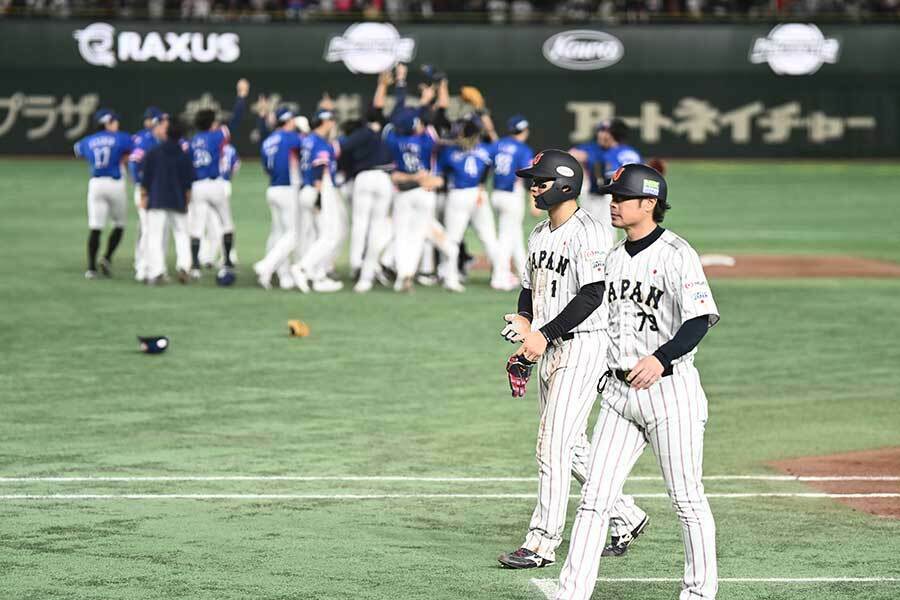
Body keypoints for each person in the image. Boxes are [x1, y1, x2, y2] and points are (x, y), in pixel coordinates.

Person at [554, 163, 719, 600]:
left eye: (621, 198)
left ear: (649, 204)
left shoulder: (676, 253)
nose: (613, 203)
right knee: (594, 500)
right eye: (612, 196)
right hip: (619, 395)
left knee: (686, 500)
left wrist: (662, 358)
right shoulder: (610, 258)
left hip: (671, 393)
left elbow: (700, 318)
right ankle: (571, 593)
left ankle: (700, 593)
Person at [497, 149, 647, 570]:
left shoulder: (591, 232)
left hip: (584, 346)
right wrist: (526, 321)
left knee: (551, 445)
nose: (533, 186)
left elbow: (593, 294)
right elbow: (529, 288)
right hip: (551, 346)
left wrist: (543, 334)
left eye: (539, 180)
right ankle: (626, 515)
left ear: (563, 185)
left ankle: (542, 542)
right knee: (572, 444)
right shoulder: (540, 234)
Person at [187, 78, 249, 279]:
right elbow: (237, 120)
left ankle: (195, 265)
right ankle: (228, 261)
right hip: (215, 185)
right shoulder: (217, 136)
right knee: (226, 223)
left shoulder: (192, 141)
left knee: (197, 226)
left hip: (197, 186)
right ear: (212, 123)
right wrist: (242, 96)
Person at [384, 107, 448, 293]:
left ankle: (402, 275)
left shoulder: (394, 141)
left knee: (401, 236)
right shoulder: (426, 141)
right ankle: (408, 273)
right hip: (424, 192)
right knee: (417, 237)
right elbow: (430, 128)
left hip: (403, 193)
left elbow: (389, 127)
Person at [437, 117, 501, 292]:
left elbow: (440, 172)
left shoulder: (450, 152)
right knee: (489, 237)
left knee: (452, 239)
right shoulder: (486, 149)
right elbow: (494, 155)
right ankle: (500, 276)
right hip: (479, 194)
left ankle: (450, 278)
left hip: (458, 194)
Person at [337, 105, 395, 293]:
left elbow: (342, 147)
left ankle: (356, 264)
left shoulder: (362, 133)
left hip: (363, 178)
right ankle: (368, 273)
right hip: (384, 178)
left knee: (360, 224)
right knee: (376, 228)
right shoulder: (388, 132)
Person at [73, 109, 134, 279]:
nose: (117, 124)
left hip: (96, 184)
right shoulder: (121, 137)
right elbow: (134, 150)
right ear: (108, 123)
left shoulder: (88, 140)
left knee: (95, 227)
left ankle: (91, 268)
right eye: (114, 122)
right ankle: (106, 257)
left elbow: (77, 150)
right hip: (115, 184)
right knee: (119, 225)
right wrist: (124, 157)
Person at [290, 108, 345, 293]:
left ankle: (318, 276)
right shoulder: (320, 143)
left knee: (317, 234)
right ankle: (302, 268)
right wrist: (319, 196)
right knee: (330, 236)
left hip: (306, 188)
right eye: (331, 120)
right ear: (325, 122)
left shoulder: (308, 140)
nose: (333, 124)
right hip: (319, 189)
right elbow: (320, 170)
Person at [254, 107, 304, 290]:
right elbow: (306, 148)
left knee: (278, 233)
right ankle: (266, 265)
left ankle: (281, 276)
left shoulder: (267, 141)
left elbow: (266, 168)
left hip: (273, 188)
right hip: (287, 189)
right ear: (288, 120)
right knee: (292, 235)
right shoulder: (290, 137)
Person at [140, 119, 195, 284]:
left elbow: (146, 180)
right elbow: (188, 185)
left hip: (157, 199)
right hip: (177, 200)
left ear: (167, 132)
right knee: (182, 235)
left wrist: (144, 197)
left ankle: (157, 272)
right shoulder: (184, 155)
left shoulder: (153, 152)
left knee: (155, 236)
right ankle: (184, 267)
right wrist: (186, 202)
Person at [489, 114, 534, 290]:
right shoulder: (523, 149)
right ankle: (499, 278)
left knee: (513, 234)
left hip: (497, 194)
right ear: (524, 130)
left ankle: (525, 275)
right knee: (506, 238)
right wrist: (533, 199)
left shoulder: (498, 144)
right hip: (512, 196)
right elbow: (528, 175)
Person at [129, 106, 167, 282]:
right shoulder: (144, 140)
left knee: (160, 229)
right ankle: (143, 267)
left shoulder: (163, 140)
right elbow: (133, 163)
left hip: (160, 190)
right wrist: (139, 184)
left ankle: (158, 267)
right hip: (146, 190)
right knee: (147, 228)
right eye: (161, 121)